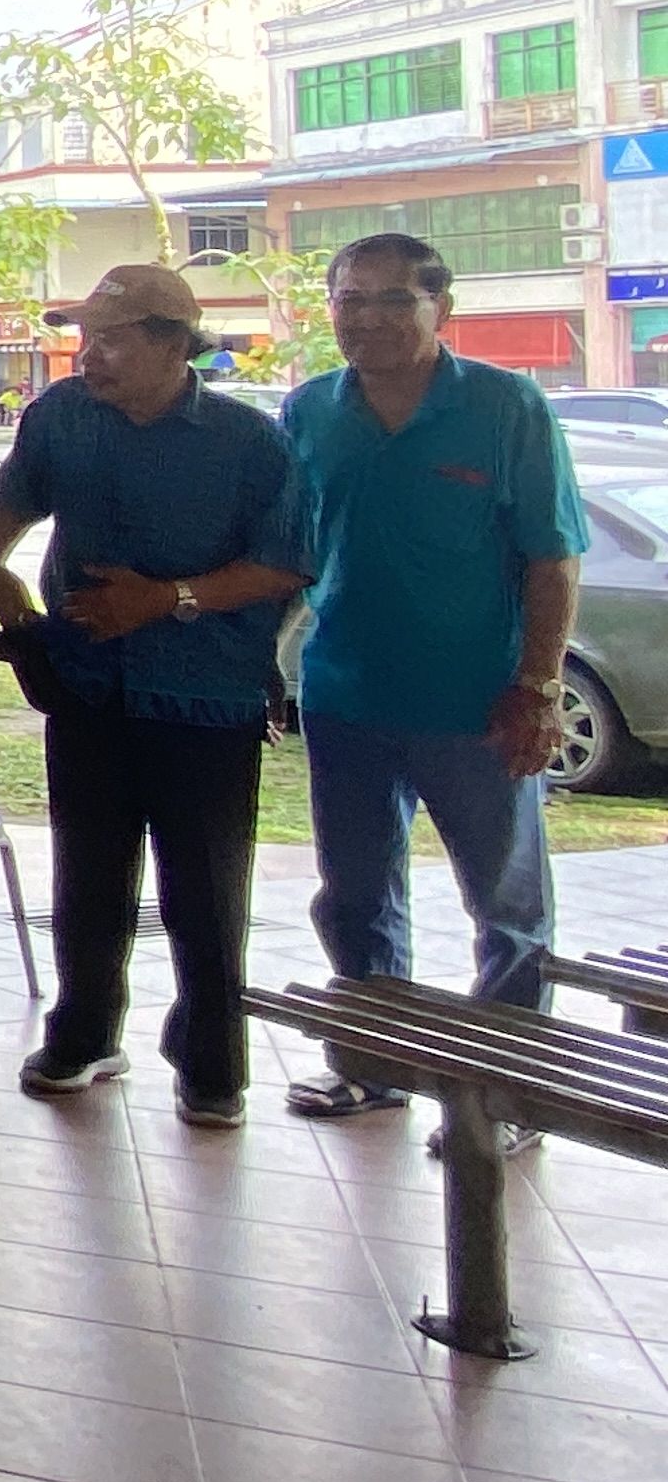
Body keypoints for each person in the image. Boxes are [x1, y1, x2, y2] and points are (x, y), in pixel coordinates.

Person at [0, 264, 313, 1125]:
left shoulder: (251, 442)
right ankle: (84, 1034)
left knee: (205, 889)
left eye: (111, 340)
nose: (89, 355)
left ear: (173, 346)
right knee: (86, 871)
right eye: (85, 337)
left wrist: (165, 599)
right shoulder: (61, 414)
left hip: (205, 697)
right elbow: (18, 491)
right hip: (88, 684)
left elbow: (285, 565)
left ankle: (212, 1064)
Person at [277, 234, 584, 1125]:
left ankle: (511, 1097)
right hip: (346, 697)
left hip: (479, 705)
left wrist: (537, 688)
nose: (367, 318)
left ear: (441, 309)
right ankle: (374, 1067)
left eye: (392, 299)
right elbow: (291, 553)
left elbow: (553, 559)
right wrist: (265, 659)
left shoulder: (505, 405)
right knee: (356, 899)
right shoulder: (309, 409)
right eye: (349, 299)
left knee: (507, 908)